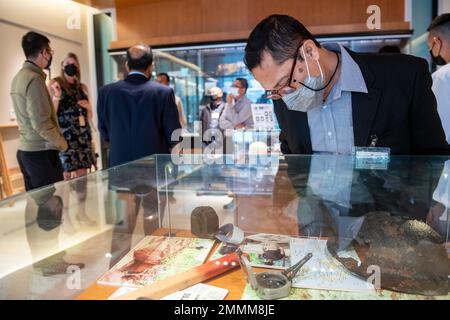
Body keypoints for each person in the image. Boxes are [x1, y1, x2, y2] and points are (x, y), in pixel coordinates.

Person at [244, 14, 450, 155]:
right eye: (274, 92)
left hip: (386, 216)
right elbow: (290, 147)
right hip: (316, 218)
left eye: (283, 83)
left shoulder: (404, 76)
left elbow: (432, 156)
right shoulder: (284, 97)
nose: (284, 95)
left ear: (309, 52)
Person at [97, 44, 181, 167]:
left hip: (118, 165)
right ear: (151, 66)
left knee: (121, 187)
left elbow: (104, 131)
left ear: (127, 65)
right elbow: (174, 134)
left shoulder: (106, 92)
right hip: (154, 167)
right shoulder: (164, 92)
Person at [11, 31, 67, 192]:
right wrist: (62, 144)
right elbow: (41, 123)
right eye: (49, 51)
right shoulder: (34, 79)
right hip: (40, 152)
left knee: (37, 207)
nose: (50, 56)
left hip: (27, 152)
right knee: (51, 210)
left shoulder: (19, 77)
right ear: (43, 52)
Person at [48, 53, 95, 179]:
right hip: (65, 138)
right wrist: (57, 95)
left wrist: (89, 107)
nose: (70, 66)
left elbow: (89, 117)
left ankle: (82, 199)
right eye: (67, 64)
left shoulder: (82, 87)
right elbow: (50, 113)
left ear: (78, 67)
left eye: (73, 64)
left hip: (82, 137)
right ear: (62, 67)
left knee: (82, 177)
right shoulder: (55, 83)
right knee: (65, 176)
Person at [428, 13, 450, 143]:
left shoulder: (442, 77)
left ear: (437, 41)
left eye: (429, 46)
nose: (430, 50)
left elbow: (441, 133)